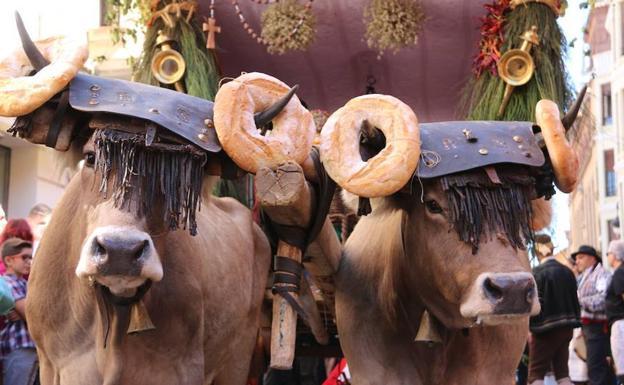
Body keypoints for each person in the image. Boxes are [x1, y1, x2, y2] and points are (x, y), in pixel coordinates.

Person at [528, 234, 581, 385]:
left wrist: (530, 328)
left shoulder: (536, 273)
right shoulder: (568, 272)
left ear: (536, 251)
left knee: (536, 374)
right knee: (563, 373)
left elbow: (533, 305)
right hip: (567, 329)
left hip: (544, 331)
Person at [573, 245, 615, 385]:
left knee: (597, 368)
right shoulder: (584, 276)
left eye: (580, 257)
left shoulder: (601, 274)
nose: (577, 261)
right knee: (594, 367)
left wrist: (579, 301)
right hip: (588, 328)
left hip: (597, 328)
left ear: (592, 258)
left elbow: (602, 300)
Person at [0, 238, 37, 385]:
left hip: (29, 345)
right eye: (24, 257)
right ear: (8, 260)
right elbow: (31, 314)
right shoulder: (8, 282)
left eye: (30, 257)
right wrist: (27, 310)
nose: (29, 261)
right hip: (18, 346)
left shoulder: (24, 283)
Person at [606, 240, 624, 384]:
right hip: (619, 323)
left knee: (622, 368)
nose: (607, 256)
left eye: (609, 253)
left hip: (620, 324)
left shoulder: (619, 273)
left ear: (616, 255)